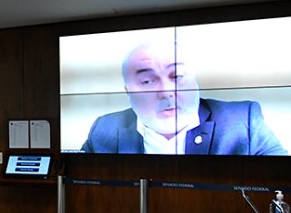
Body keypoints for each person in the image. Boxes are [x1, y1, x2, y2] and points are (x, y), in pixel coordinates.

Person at [81, 43, 287, 155]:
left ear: (195, 81)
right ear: (128, 92)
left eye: (177, 76)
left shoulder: (243, 122)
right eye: (147, 81)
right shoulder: (104, 129)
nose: (166, 91)